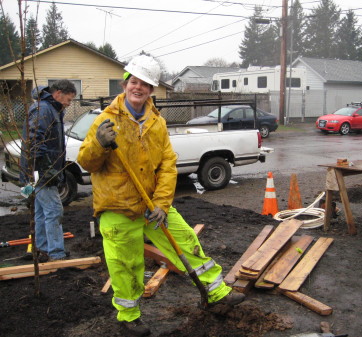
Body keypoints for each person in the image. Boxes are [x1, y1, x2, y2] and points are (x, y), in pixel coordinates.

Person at [77, 55, 245, 337]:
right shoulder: (106, 121)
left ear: (152, 90)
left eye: (144, 84)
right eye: (134, 82)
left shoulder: (157, 123)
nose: (138, 88)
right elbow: (87, 162)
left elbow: (168, 165)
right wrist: (99, 145)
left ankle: (216, 295)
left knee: (188, 243)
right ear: (125, 83)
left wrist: (162, 203)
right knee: (125, 265)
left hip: (152, 204)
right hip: (117, 207)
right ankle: (129, 318)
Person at [20, 80, 77, 262]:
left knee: (41, 211)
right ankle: (56, 253)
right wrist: (43, 171)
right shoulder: (44, 109)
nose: (69, 103)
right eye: (68, 99)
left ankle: (42, 248)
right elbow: (35, 142)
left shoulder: (50, 109)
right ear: (58, 93)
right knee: (54, 210)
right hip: (43, 172)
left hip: (43, 171)